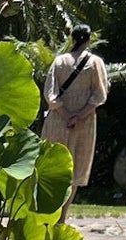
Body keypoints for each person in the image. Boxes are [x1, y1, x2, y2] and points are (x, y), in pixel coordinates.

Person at [41, 24, 108, 208]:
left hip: (57, 121)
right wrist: (78, 117)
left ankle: (51, 213)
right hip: (83, 124)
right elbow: (99, 95)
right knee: (75, 171)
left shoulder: (59, 62)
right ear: (88, 40)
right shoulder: (96, 63)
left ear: (72, 39)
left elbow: (51, 94)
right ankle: (62, 215)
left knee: (52, 168)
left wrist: (66, 115)